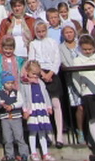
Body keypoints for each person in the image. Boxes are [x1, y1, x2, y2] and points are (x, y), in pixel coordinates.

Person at [27, 20, 64, 148]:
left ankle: (59, 135)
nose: (41, 34)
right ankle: (49, 134)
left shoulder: (52, 42)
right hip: (39, 74)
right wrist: (41, 73)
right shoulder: (33, 44)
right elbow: (32, 59)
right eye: (38, 31)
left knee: (55, 103)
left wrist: (51, 72)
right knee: (44, 104)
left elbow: (57, 58)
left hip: (52, 74)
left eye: (43, 31)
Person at [21, 60, 55, 161]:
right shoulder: (25, 83)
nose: (35, 76)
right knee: (33, 132)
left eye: (37, 74)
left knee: (42, 131)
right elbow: (23, 97)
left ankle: (45, 153)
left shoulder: (41, 83)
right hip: (32, 109)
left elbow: (45, 95)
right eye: (33, 74)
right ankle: (33, 153)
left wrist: (48, 106)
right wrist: (25, 110)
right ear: (27, 72)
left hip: (41, 107)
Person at [0, 71, 30, 161]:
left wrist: (12, 106)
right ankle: (9, 155)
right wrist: (0, 104)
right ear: (3, 83)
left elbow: (21, 102)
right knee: (7, 138)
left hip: (16, 117)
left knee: (19, 136)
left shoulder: (16, 92)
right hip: (5, 119)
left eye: (11, 83)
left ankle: (24, 154)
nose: (10, 85)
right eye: (7, 83)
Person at [58, 21, 85, 144]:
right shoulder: (61, 47)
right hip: (72, 79)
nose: (68, 34)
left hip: (85, 78)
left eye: (70, 32)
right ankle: (80, 131)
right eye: (66, 32)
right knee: (79, 106)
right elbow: (63, 62)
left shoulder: (81, 45)